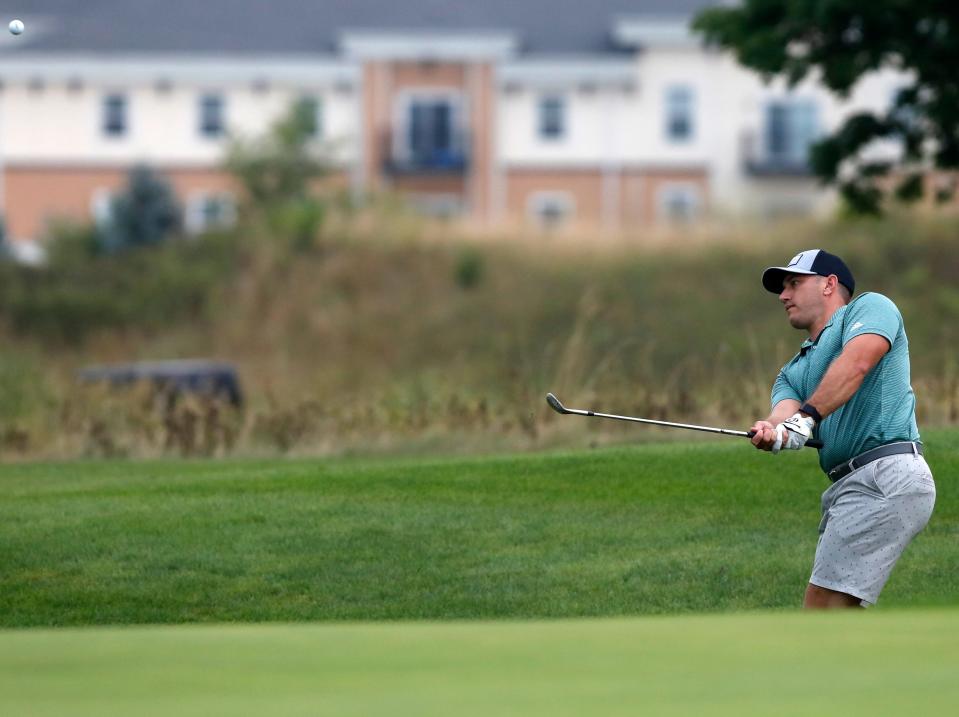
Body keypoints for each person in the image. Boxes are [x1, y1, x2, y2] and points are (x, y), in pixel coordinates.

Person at [749, 249, 936, 609]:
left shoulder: (871, 308)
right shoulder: (793, 370)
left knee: (822, 611)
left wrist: (803, 421)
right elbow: (784, 414)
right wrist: (772, 431)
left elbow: (857, 364)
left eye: (794, 283)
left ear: (829, 284)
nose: (783, 296)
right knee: (835, 614)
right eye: (782, 288)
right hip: (851, 486)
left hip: (885, 474)